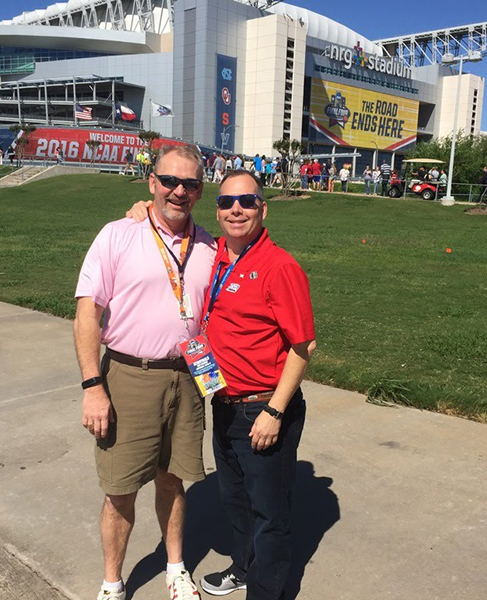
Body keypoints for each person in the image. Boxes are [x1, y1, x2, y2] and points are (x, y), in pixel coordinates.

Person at [125, 172, 316, 600]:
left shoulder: (279, 266)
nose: (236, 209)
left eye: (247, 201)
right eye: (228, 202)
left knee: (269, 514)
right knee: (236, 501)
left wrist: (274, 411)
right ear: (216, 209)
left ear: (262, 209)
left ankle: (266, 591)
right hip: (225, 402)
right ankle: (245, 567)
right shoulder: (215, 253)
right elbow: (168, 227)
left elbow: (304, 346)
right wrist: (142, 211)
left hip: (264, 409)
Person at [74, 145, 216, 600]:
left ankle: (176, 568)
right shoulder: (119, 234)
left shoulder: (211, 245)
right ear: (151, 182)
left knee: (173, 479)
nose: (179, 191)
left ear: (200, 190)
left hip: (188, 377)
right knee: (120, 490)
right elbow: (87, 315)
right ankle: (113, 583)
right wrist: (93, 386)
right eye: (169, 181)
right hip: (130, 376)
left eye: (190, 184)